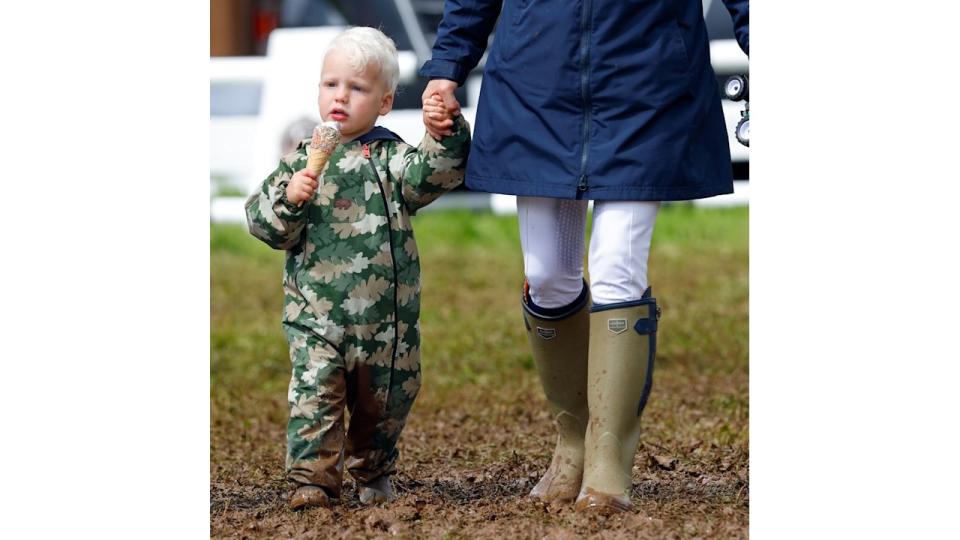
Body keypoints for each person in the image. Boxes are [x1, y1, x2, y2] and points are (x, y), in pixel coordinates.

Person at [418, 0, 749, 514]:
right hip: (536, 89)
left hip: (648, 86)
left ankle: (608, 457)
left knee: (619, 268)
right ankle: (571, 441)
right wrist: (447, 66)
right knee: (547, 276)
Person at [245, 26, 468, 511]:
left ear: (384, 102)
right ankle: (313, 480)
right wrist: (289, 199)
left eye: (357, 88)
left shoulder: (391, 157)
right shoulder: (301, 161)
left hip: (386, 323)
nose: (340, 97)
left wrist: (443, 132)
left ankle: (374, 470)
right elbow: (263, 224)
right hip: (316, 316)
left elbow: (433, 176)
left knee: (384, 402)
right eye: (331, 85)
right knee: (315, 396)